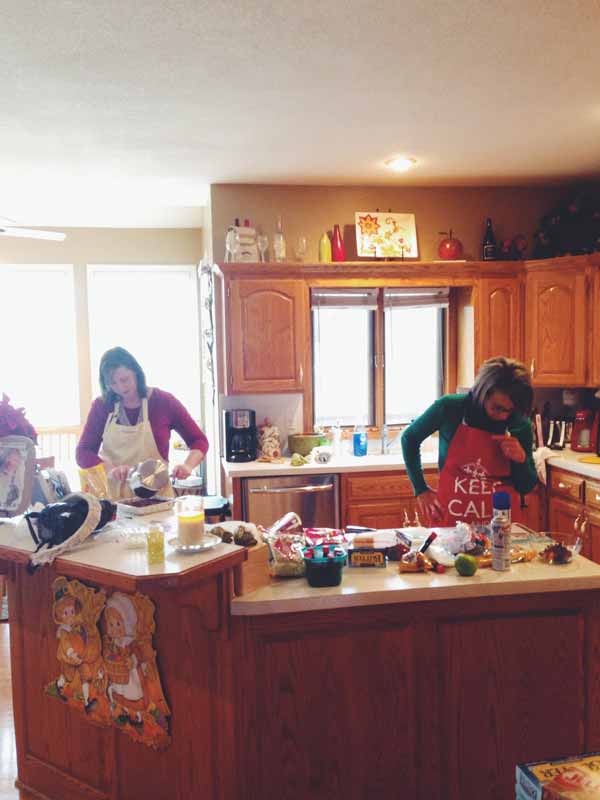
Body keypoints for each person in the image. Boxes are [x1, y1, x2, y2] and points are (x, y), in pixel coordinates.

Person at [401, 356, 537, 526]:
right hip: (451, 525)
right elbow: (409, 438)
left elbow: (526, 486)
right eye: (497, 408)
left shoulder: (520, 425)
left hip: (501, 530)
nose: (503, 416)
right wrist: (421, 489)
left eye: (510, 410)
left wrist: (521, 460)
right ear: (482, 393)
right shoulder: (450, 408)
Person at [76, 347, 209, 500]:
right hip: (115, 501)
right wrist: (110, 469)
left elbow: (199, 440)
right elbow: (83, 452)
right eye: (112, 384)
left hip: (157, 497)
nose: (120, 388)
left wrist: (188, 465)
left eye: (124, 380)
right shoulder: (102, 406)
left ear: (136, 372)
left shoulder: (164, 402)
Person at [0, 446, 25, 511]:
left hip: (12, 506)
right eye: (15, 460)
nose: (17, 463)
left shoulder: (18, 474)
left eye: (17, 460)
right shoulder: (3, 474)